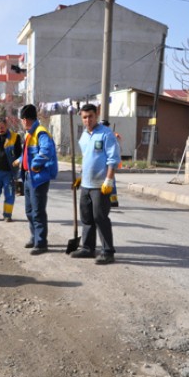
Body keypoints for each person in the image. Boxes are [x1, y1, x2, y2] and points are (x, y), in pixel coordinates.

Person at [71, 104, 121, 265]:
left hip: (101, 185)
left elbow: (113, 160)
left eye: (90, 116)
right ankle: (88, 248)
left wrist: (109, 180)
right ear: (81, 118)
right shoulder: (84, 136)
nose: (88, 120)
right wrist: (80, 177)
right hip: (86, 184)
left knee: (100, 217)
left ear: (96, 115)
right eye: (84, 117)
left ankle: (108, 251)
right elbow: (87, 159)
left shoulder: (106, 134)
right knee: (86, 218)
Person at [13, 104, 58, 255]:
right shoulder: (29, 134)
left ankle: (41, 243)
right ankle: (34, 237)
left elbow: (47, 151)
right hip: (27, 176)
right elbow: (28, 152)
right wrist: (20, 160)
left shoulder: (41, 132)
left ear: (25, 119)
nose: (22, 122)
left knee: (38, 211)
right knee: (29, 210)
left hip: (38, 178)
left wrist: (36, 163)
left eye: (22, 119)